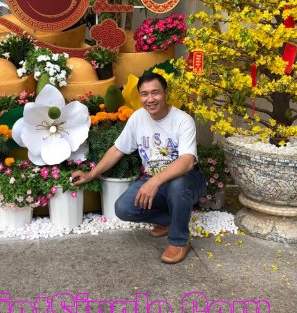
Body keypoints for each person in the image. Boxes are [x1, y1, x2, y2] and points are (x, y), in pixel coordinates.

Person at [72, 72, 207, 264]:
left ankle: (179, 241)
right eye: (144, 94)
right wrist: (91, 174)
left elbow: (187, 162)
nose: (150, 99)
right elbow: (118, 149)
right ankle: (171, 219)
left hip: (188, 180)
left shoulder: (183, 120)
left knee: (177, 186)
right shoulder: (138, 118)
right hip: (155, 180)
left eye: (155, 93)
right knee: (123, 208)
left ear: (165, 93)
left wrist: (155, 181)